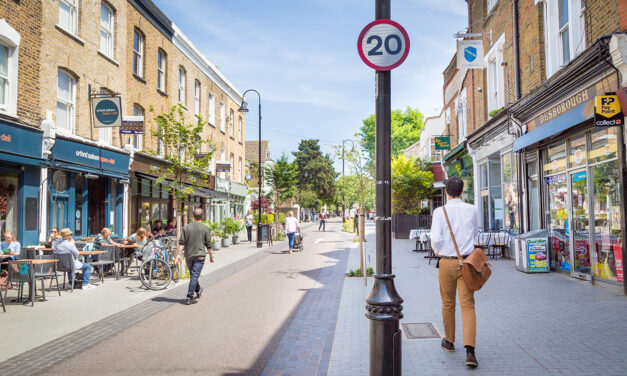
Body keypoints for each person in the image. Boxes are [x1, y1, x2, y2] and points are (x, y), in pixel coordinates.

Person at [430, 177, 480, 368]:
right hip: (466, 262)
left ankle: (449, 341)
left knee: (448, 303)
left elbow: (435, 237)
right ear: (462, 191)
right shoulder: (472, 209)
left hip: (446, 262)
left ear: (446, 192)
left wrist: (437, 249)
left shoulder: (439, 212)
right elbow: (476, 233)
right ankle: (470, 351)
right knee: (467, 305)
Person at [177, 207, 214, 305]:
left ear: (193, 216)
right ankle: (189, 297)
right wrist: (211, 256)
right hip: (200, 256)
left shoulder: (186, 228)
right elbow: (209, 245)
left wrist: (178, 255)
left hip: (189, 255)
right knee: (194, 275)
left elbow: (181, 243)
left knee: (193, 275)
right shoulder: (205, 228)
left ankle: (198, 290)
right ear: (202, 216)